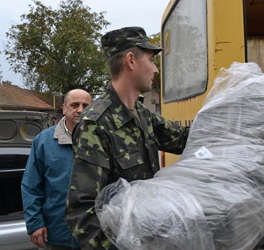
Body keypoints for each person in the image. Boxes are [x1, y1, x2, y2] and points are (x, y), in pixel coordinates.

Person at [65, 26, 190, 250]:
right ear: (131, 61)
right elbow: (82, 214)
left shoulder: (143, 115)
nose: (155, 70)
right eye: (152, 60)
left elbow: (183, 140)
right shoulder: (95, 124)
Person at [21, 89, 92, 250]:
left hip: (93, 234)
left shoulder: (101, 139)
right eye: (75, 105)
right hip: (56, 235)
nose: (80, 110)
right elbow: (30, 185)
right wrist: (34, 224)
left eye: (85, 105)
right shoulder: (44, 141)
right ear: (64, 108)